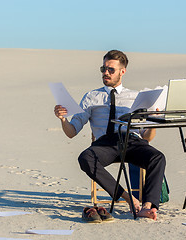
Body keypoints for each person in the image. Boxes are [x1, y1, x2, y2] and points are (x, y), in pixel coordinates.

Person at [54, 50, 165, 220]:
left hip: (132, 141)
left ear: (123, 71)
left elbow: (146, 137)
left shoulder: (136, 97)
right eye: (103, 69)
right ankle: (129, 199)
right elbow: (72, 132)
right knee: (85, 159)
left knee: (158, 157)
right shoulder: (91, 97)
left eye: (110, 70)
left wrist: (152, 121)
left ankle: (148, 207)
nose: (105, 73)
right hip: (105, 144)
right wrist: (62, 119)